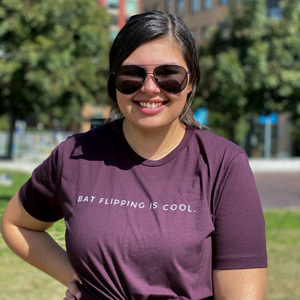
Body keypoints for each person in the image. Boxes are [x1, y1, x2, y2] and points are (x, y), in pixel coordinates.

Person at [1, 11, 267, 300]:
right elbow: (17, 223)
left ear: (191, 82)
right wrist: (74, 277)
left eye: (169, 74)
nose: (150, 87)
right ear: (114, 80)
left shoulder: (223, 164)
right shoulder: (75, 155)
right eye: (132, 74)